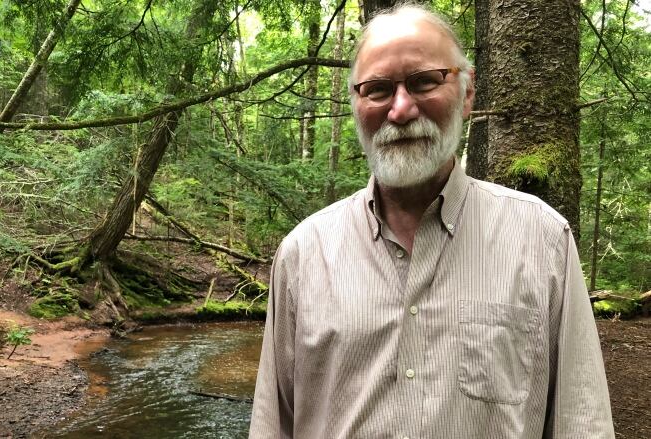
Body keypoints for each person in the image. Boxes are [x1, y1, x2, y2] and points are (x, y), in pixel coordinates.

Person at [249, 4, 614, 439]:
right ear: (355, 102)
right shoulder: (303, 253)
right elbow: (273, 426)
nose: (401, 110)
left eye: (424, 81)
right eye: (378, 89)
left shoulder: (542, 239)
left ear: (468, 91)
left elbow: (582, 422)